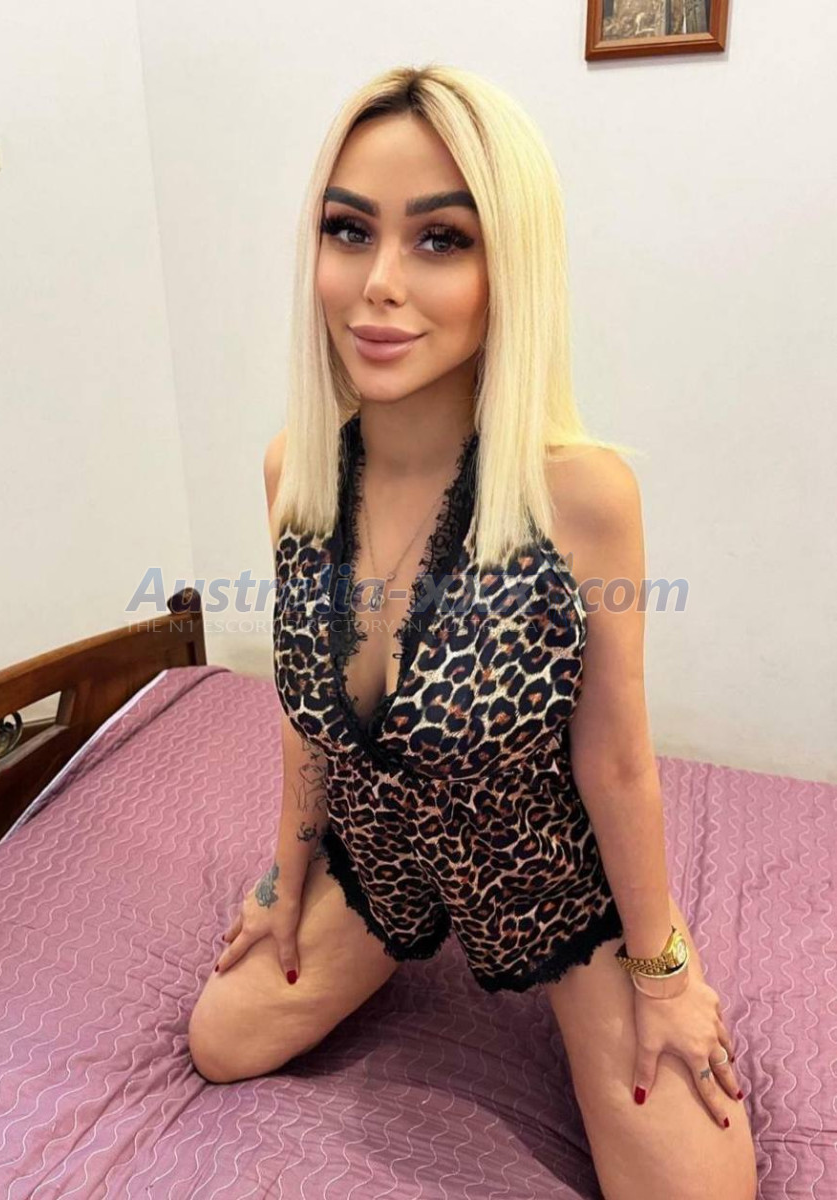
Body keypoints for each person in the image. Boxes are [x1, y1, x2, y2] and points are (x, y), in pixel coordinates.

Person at [188, 64, 757, 1199]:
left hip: (548, 885)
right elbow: (306, 719)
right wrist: (282, 880)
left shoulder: (578, 498)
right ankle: (401, 940)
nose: (378, 284)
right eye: (349, 230)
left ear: (511, 270)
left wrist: (663, 972)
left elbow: (617, 761)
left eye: (440, 240)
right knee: (222, 1040)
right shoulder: (296, 474)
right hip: (385, 864)